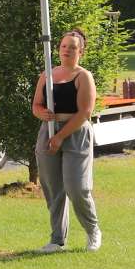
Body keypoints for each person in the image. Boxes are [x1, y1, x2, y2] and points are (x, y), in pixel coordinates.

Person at [32, 28, 102, 253]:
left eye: (72, 47)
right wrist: (41, 113)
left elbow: (85, 112)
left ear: (81, 51)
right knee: (53, 188)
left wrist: (61, 136)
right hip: (49, 131)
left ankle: (93, 231)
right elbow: (36, 105)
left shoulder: (83, 76)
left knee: (77, 187)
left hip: (75, 133)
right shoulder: (47, 75)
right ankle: (57, 239)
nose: (67, 50)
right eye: (63, 46)